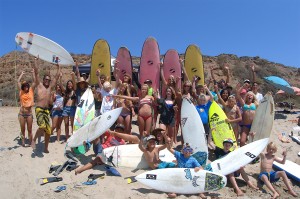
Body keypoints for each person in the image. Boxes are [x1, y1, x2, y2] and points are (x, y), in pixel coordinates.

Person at [31, 57, 60, 153]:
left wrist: (58, 67)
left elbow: (56, 78)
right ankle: (34, 139)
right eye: (46, 79)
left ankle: (46, 148)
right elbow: (36, 72)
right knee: (42, 126)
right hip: (39, 109)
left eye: (48, 79)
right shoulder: (39, 85)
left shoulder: (50, 87)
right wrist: (36, 62)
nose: (47, 80)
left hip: (47, 110)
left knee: (48, 131)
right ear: (43, 80)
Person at [17, 69, 36, 147]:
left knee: (30, 129)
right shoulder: (21, 92)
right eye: (24, 86)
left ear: (28, 86)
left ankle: (31, 141)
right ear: (22, 87)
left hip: (29, 114)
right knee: (22, 129)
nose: (26, 87)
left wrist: (33, 73)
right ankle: (23, 141)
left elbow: (35, 82)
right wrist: (21, 74)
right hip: (21, 113)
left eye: (27, 85)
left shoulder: (31, 91)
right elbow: (18, 81)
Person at [195, 85, 214, 149]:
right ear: (199, 100)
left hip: (206, 124)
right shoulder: (196, 107)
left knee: (206, 137)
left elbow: (212, 97)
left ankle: (205, 149)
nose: (202, 101)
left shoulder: (207, 106)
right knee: (199, 137)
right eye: (201, 100)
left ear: (205, 100)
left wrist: (207, 89)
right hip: (199, 124)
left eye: (203, 100)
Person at [62, 72, 77, 141]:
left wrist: (73, 76)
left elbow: (74, 83)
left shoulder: (74, 91)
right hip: (65, 108)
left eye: (71, 84)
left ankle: (73, 137)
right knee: (66, 123)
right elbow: (61, 86)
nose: (69, 85)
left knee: (72, 124)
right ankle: (67, 137)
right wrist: (60, 78)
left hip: (72, 108)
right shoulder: (65, 92)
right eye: (68, 84)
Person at [50, 74, 64, 142]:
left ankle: (58, 139)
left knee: (59, 126)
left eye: (59, 87)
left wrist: (61, 77)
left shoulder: (63, 95)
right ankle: (48, 133)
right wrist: (53, 98)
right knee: (54, 125)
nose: (58, 88)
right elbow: (51, 102)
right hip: (55, 111)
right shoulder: (54, 94)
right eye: (57, 87)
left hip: (61, 111)